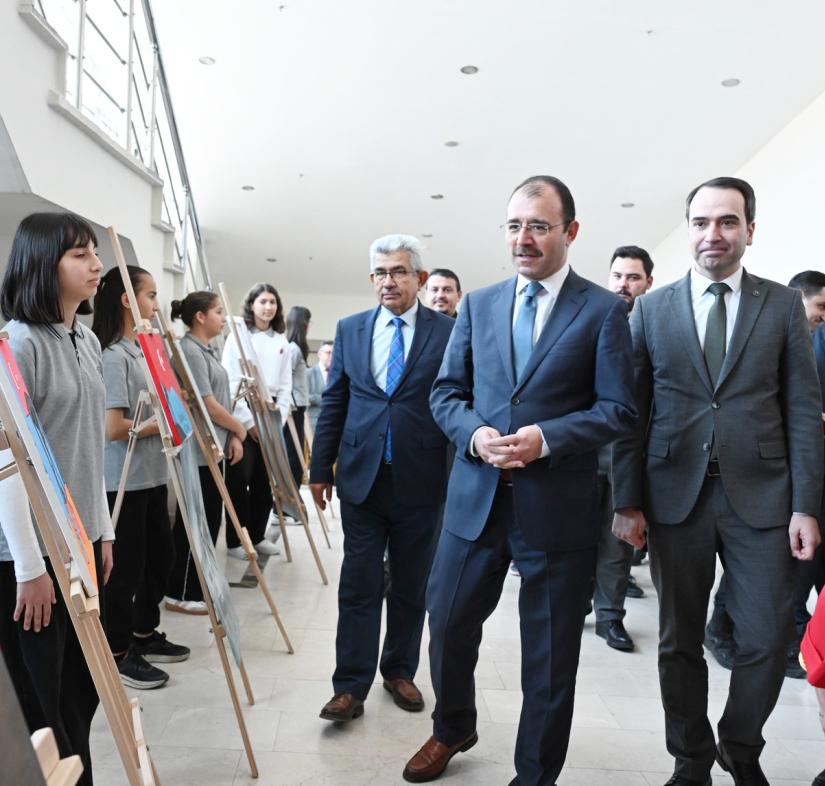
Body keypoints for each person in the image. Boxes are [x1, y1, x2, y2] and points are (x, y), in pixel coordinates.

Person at [403, 176, 637, 785]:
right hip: (475, 499)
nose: (523, 238)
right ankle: (453, 726)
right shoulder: (479, 304)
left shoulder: (603, 310)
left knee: (551, 655)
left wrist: (547, 437)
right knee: (446, 623)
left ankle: (534, 775)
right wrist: (476, 435)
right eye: (514, 225)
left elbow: (619, 409)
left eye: (538, 226)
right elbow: (446, 393)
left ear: (570, 231)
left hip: (557, 506)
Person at [612, 177, 824, 786]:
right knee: (678, 641)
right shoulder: (652, 309)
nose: (714, 234)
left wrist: (806, 505)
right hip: (673, 496)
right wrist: (627, 500)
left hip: (764, 498)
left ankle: (740, 745)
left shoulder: (781, 305)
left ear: (749, 230)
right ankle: (691, 758)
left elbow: (803, 411)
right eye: (701, 222)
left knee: (768, 638)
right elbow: (632, 413)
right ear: (688, 231)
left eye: (728, 221)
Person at [310, 234, 454, 723]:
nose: (387, 281)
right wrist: (319, 468)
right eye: (379, 273)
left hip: (423, 477)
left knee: (412, 584)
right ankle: (349, 687)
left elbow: (460, 399)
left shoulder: (448, 332)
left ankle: (399, 671)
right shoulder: (351, 329)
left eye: (397, 272)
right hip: (361, 478)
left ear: (420, 278)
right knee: (359, 583)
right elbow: (335, 401)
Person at [0, 212, 115, 786]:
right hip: (33, 556)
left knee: (80, 693)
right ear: (44, 265)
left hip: (80, 540)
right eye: (80, 254)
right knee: (42, 707)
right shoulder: (18, 344)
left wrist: (103, 531)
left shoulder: (86, 339)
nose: (97, 264)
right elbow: (6, 465)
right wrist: (29, 567)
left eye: (94, 251)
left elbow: (88, 443)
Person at [92, 265, 189, 688]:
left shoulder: (142, 350)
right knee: (126, 570)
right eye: (150, 295)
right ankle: (117, 651)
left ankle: (143, 632)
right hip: (124, 481)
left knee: (161, 558)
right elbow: (114, 428)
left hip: (151, 474)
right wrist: (164, 422)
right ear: (127, 300)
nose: (156, 303)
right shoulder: (113, 356)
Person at [165, 292, 248, 609]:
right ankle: (181, 592)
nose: (224, 318)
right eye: (218, 311)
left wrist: (233, 436)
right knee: (196, 523)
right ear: (200, 316)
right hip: (198, 451)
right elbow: (208, 405)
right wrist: (240, 429)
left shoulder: (205, 350)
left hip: (213, 449)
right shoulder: (189, 351)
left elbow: (219, 402)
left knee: (211, 520)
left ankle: (196, 586)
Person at [591, 245, 654, 652]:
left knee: (617, 540)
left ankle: (610, 617)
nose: (623, 284)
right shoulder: (591, 317)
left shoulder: (656, 325)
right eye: (617, 276)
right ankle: (577, 601)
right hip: (585, 450)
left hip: (629, 455)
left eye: (633, 277)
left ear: (648, 282)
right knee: (577, 536)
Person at [221, 283, 291, 552]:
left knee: (265, 480)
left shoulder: (282, 341)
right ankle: (236, 540)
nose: (268, 307)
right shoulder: (238, 338)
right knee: (240, 479)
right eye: (262, 301)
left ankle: (258, 537)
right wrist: (249, 423)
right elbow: (230, 382)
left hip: (270, 413)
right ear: (251, 305)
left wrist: (276, 421)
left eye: (273, 302)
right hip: (242, 409)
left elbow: (285, 387)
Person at [284, 306, 311, 496]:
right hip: (292, 409)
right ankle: (289, 502)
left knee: (297, 456)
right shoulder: (293, 349)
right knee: (294, 457)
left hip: (297, 408)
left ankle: (291, 500)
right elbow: (286, 380)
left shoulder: (295, 348)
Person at [307, 340, 333, 434]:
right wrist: (324, 399)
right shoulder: (308, 373)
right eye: (328, 353)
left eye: (334, 353)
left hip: (334, 425)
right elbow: (304, 396)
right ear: (319, 354)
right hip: (314, 424)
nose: (331, 356)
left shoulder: (338, 375)